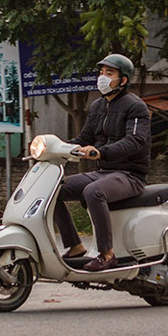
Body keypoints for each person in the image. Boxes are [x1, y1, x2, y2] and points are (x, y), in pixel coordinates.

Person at [55, 53, 151, 271]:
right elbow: (83, 139)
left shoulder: (136, 106)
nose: (103, 77)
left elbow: (135, 141)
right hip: (104, 173)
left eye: (109, 73)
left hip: (130, 175)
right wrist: (55, 148)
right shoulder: (97, 105)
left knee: (93, 192)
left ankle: (107, 254)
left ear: (123, 80)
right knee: (54, 190)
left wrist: (100, 153)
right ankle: (75, 246)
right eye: (101, 72)